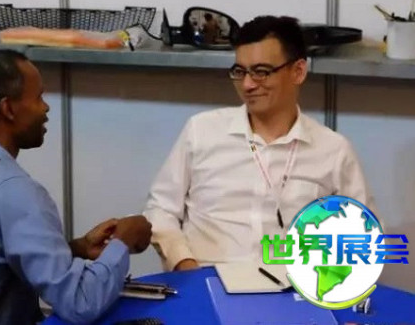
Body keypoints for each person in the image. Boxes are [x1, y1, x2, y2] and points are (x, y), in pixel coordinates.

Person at [143, 16, 375, 272]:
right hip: (205, 279)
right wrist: (184, 265)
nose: (248, 84)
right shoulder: (201, 131)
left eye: (261, 72)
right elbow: (160, 210)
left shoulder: (333, 150)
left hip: (292, 287)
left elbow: (365, 233)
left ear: (298, 71)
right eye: (240, 72)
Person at [0, 50, 152, 324]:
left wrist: (77, 248)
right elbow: (80, 303)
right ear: (8, 109)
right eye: (38, 98)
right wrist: (122, 242)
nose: (46, 108)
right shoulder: (16, 192)